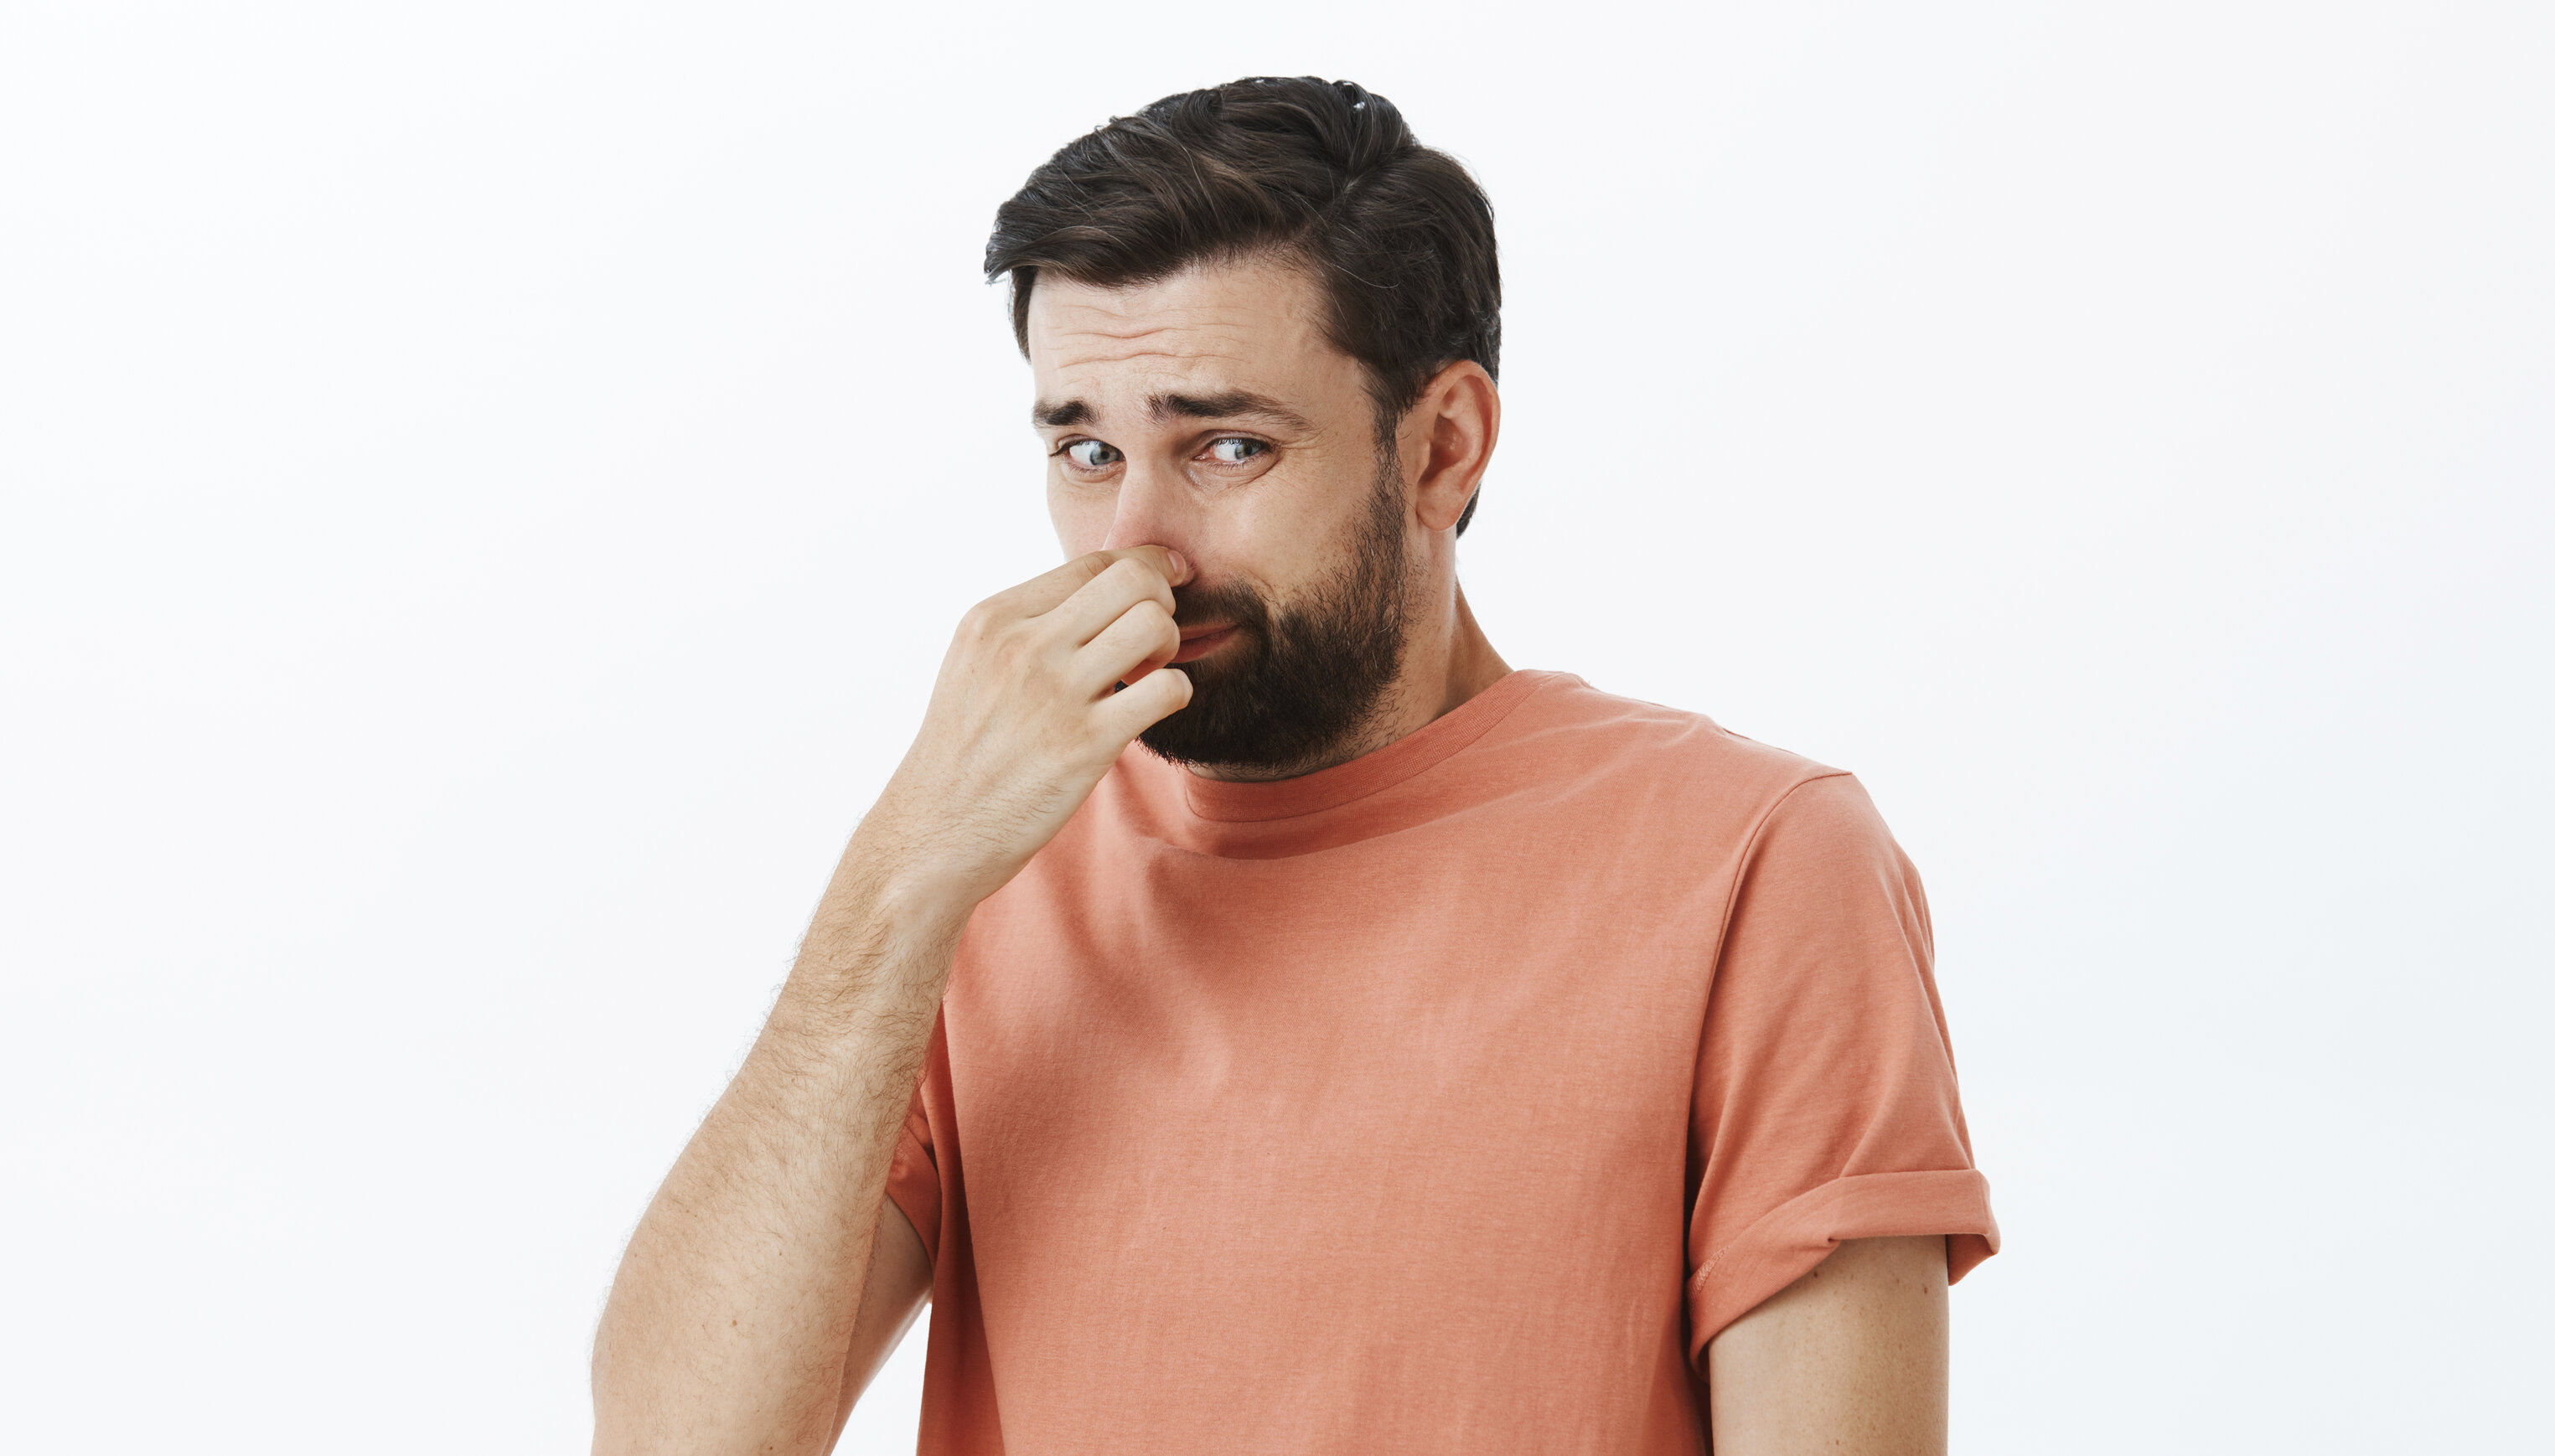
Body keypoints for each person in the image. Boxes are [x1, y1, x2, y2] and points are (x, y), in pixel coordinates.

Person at [591, 75, 1996, 1456]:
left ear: (1443, 447)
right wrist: (904, 873)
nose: (1137, 540)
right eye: (1085, 446)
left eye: (1227, 445)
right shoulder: (984, 863)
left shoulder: (1756, 861)